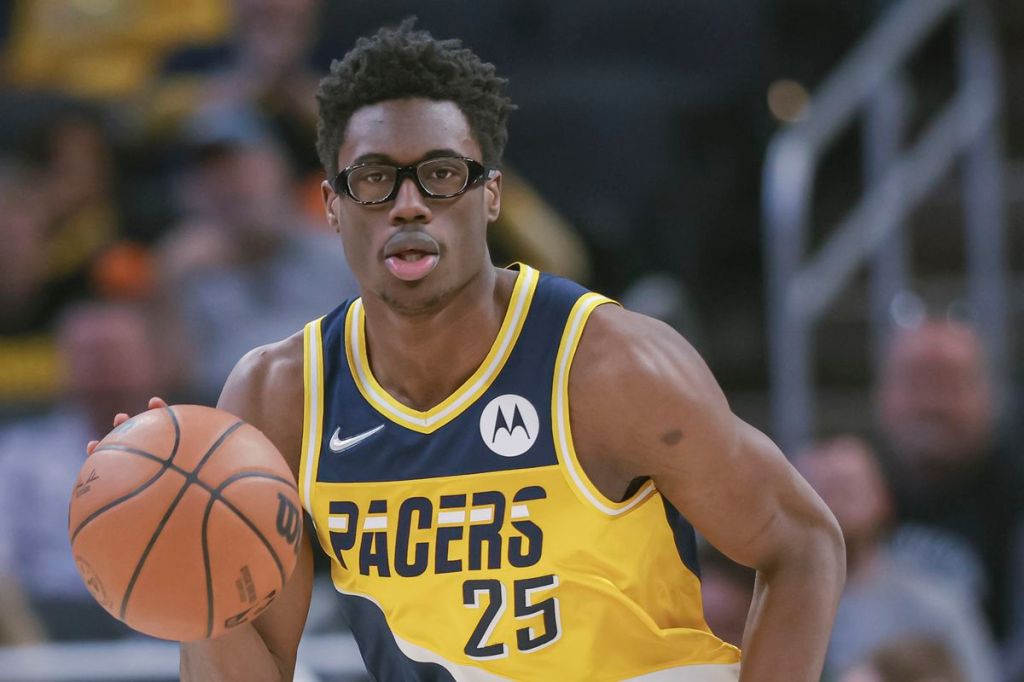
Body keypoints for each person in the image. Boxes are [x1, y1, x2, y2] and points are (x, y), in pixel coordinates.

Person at [93, 21, 845, 680]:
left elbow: (804, 544)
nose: (409, 204)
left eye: (442, 175)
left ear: (490, 195)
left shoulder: (608, 366)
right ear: (331, 206)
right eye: (375, 179)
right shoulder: (280, 397)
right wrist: (195, 564)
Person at [795, 436, 999, 681]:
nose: (833, 506)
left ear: (883, 498)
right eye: (820, 491)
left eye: (846, 489)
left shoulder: (934, 607)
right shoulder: (776, 605)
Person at [875, 320, 1024, 643]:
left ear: (989, 395)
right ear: (882, 394)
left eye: (948, 385)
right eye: (915, 384)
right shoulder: (848, 494)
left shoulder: (1014, 496)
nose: (931, 405)